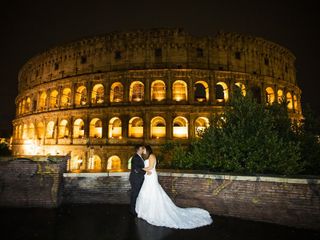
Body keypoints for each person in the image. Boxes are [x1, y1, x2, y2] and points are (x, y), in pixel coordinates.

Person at [135, 145, 213, 229]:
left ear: (147, 149)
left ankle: (152, 213)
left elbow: (150, 167)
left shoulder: (152, 156)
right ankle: (145, 212)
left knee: (152, 192)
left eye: (143, 149)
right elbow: (148, 168)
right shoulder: (146, 157)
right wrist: (145, 170)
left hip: (151, 177)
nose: (142, 150)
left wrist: (140, 168)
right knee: (146, 192)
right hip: (148, 176)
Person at [129, 144, 151, 217]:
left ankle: (135, 208)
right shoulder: (135, 157)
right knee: (134, 194)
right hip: (136, 179)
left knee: (136, 194)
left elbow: (139, 168)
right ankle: (132, 210)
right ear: (138, 149)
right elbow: (136, 169)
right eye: (142, 148)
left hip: (138, 178)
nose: (143, 149)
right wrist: (146, 171)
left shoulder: (140, 157)